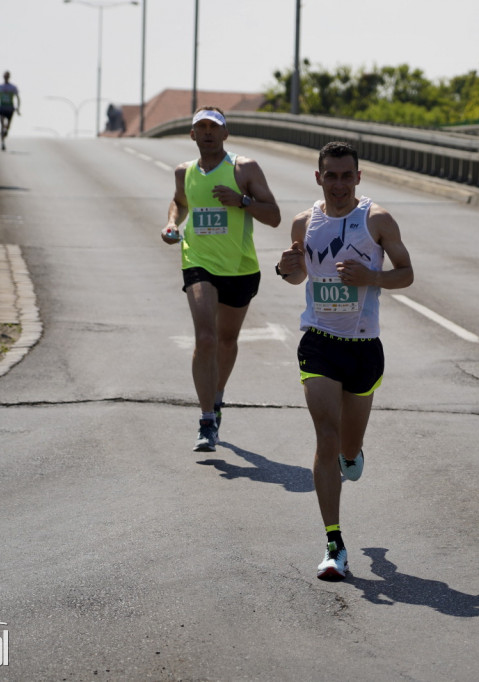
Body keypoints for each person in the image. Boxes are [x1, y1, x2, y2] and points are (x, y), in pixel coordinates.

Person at [276, 141, 414, 581]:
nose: (338, 184)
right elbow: (297, 274)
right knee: (326, 436)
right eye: (330, 175)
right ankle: (334, 543)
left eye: (345, 175)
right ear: (318, 178)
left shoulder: (376, 220)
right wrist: (286, 268)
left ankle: (350, 458)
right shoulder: (305, 221)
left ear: (358, 177)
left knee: (348, 452)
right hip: (318, 342)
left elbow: (406, 272)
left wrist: (372, 277)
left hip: (363, 346)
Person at [161, 107, 281, 452]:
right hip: (197, 261)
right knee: (206, 337)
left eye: (214, 127)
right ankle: (205, 421)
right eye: (201, 127)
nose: (208, 132)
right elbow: (179, 202)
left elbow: (273, 216)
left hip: (240, 266)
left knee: (227, 341)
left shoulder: (244, 169)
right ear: (192, 135)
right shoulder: (184, 171)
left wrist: (242, 201)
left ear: (225, 134)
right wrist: (173, 224)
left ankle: (216, 399)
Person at [0, 71, 20, 150]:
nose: (6, 78)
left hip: (10, 108)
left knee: (8, 126)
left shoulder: (13, 87)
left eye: (7, 76)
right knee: (2, 125)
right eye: (5, 76)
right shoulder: (0, 87)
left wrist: (18, 108)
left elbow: (18, 98)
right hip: (2, 108)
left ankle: (5, 133)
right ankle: (2, 143)